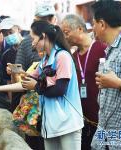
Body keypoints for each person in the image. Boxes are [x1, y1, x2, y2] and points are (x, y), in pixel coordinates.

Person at [21, 20, 84, 150]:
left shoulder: (62, 56)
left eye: (33, 39)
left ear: (43, 36)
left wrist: (36, 87)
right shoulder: (44, 61)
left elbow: (60, 90)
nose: (32, 43)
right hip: (50, 125)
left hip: (68, 124)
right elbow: (27, 81)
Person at [7, 3, 57, 150]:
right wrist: (16, 74)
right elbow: (19, 76)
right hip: (33, 109)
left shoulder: (62, 41)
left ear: (53, 19)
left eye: (47, 19)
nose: (44, 23)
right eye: (40, 19)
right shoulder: (28, 41)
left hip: (56, 109)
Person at [60, 14, 107, 150]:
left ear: (80, 29)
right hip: (80, 120)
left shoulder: (102, 49)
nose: (64, 36)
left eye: (66, 32)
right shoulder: (72, 57)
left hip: (101, 119)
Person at [91, 1, 121, 150]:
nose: (92, 28)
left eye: (93, 23)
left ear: (101, 24)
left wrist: (119, 83)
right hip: (105, 130)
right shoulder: (111, 48)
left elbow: (118, 83)